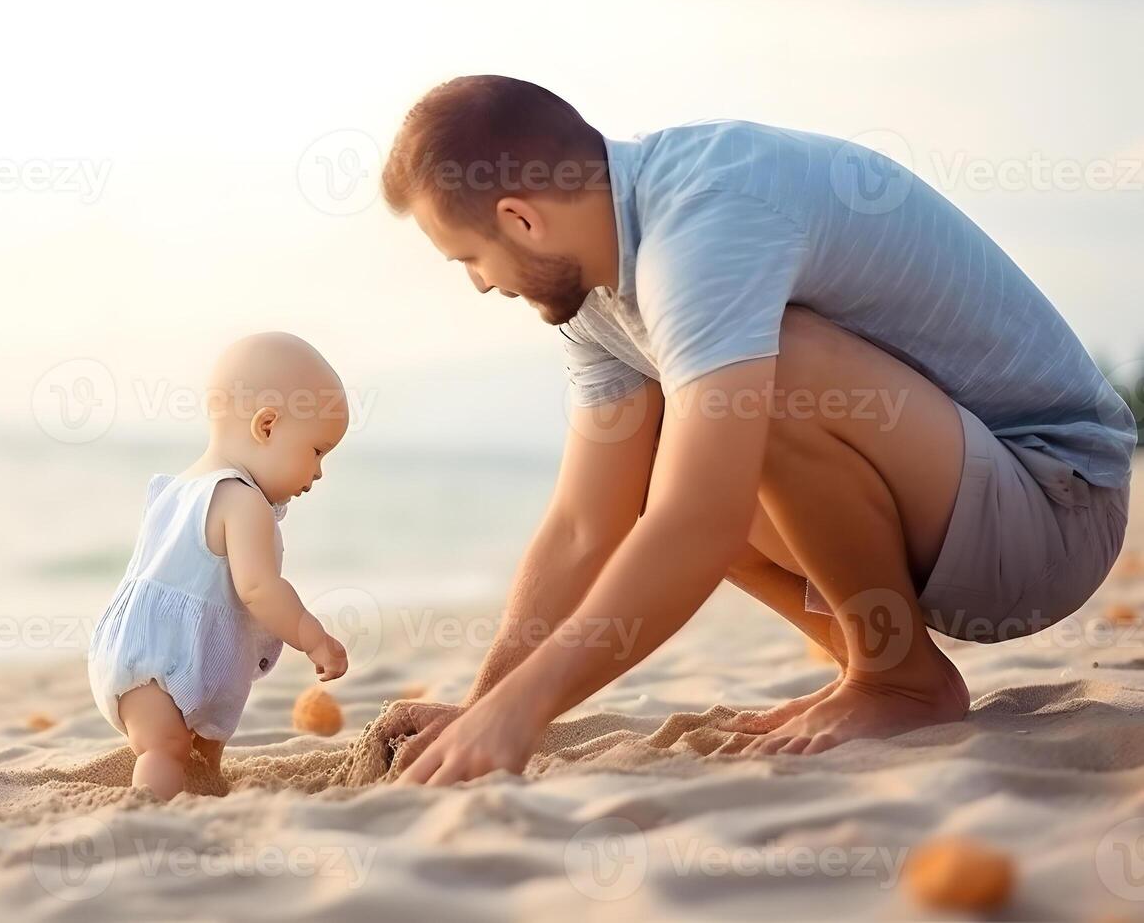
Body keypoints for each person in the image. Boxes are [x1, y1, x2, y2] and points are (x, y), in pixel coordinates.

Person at [376, 75, 1135, 786]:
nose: (480, 283)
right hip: (958, 512)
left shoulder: (703, 225)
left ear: (520, 219)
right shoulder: (595, 290)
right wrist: (487, 705)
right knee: (663, 442)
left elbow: (699, 520)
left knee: (756, 393)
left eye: (470, 258)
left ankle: (894, 677)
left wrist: (527, 710)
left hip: (1055, 511)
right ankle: (882, 665)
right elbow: (584, 525)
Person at [87, 332, 350, 800]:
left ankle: (203, 791)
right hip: (156, 662)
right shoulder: (240, 500)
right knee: (165, 747)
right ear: (266, 426)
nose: (319, 472)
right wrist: (314, 639)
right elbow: (259, 590)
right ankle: (147, 814)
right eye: (317, 451)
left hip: (145, 648)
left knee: (201, 751)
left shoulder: (177, 488)